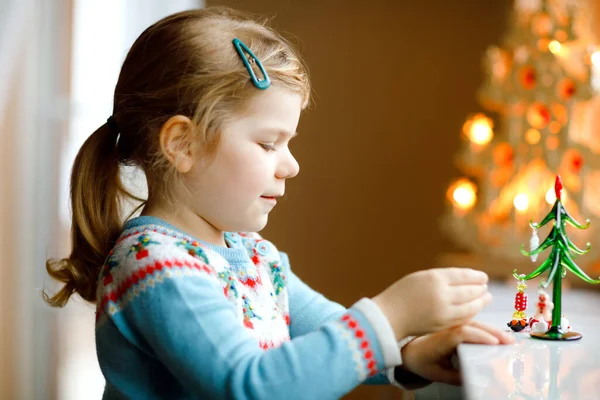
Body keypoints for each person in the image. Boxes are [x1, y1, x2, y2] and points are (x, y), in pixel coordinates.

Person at [44, 7, 514, 399]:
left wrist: (409, 352)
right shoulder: (154, 268)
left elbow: (325, 336)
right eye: (269, 143)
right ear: (182, 144)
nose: (290, 166)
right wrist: (390, 315)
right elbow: (253, 386)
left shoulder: (252, 253)